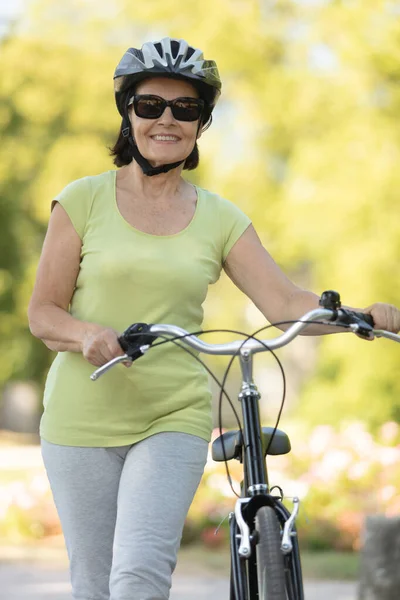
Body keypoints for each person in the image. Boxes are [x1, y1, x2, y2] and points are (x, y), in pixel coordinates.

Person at [28, 37, 400, 600]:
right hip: (80, 422)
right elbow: (43, 313)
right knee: (94, 584)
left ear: (201, 123)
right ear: (129, 114)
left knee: (139, 578)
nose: (167, 119)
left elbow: (283, 304)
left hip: (171, 416)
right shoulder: (81, 202)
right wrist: (87, 334)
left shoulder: (219, 218)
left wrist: (359, 315)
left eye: (186, 108)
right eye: (151, 105)